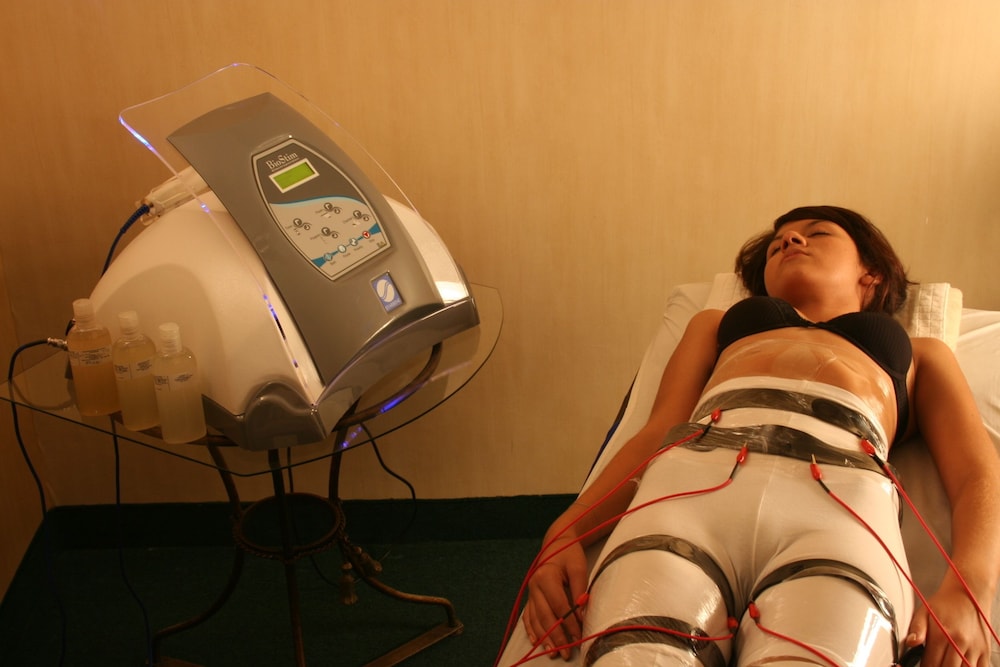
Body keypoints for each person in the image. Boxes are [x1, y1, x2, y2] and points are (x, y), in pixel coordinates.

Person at [518, 206, 1000, 667]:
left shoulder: (923, 355)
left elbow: (977, 474)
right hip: (687, 492)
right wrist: (564, 532)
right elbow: (658, 432)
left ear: (870, 274)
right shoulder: (713, 325)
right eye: (776, 245)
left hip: (841, 510)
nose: (790, 240)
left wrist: (970, 590)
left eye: (818, 232)